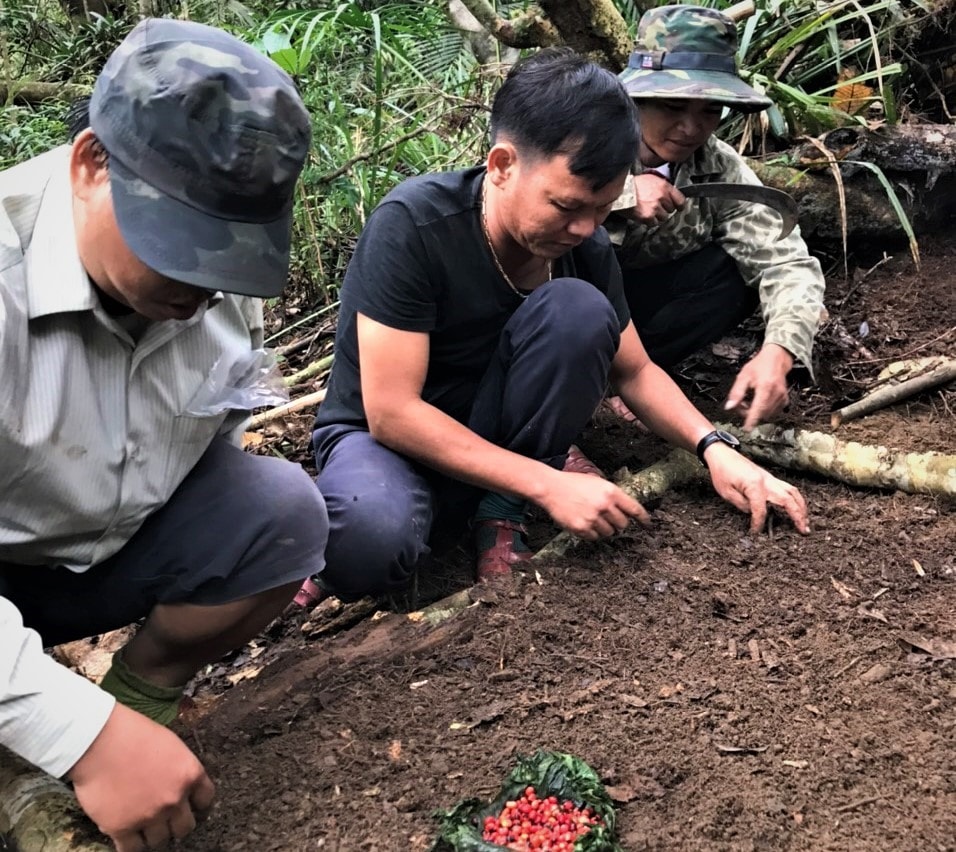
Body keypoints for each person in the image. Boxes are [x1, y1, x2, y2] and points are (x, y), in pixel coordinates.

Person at [295, 47, 808, 611]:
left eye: (603, 206)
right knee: (367, 544)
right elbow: (392, 412)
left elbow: (634, 368)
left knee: (579, 310)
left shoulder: (582, 244)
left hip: (494, 426)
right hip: (385, 437)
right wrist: (549, 484)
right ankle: (419, 507)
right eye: (566, 206)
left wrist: (717, 449)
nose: (585, 228)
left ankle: (498, 511)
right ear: (502, 165)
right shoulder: (415, 226)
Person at [0, 18, 327, 852]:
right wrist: (80, 734)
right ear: (88, 165)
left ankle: (138, 696)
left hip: (99, 555)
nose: (203, 283)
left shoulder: (213, 290)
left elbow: (218, 441)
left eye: (231, 253)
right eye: (178, 241)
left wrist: (116, 722)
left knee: (281, 511)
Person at [606, 4, 827, 431]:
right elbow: (517, 221)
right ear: (635, 99)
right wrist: (620, 197)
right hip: (562, 312)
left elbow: (787, 263)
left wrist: (779, 351)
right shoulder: (583, 144)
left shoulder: (718, 167)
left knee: (731, 275)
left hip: (640, 313)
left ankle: (628, 383)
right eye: (673, 107)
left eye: (709, 110)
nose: (691, 128)